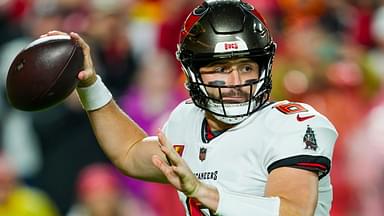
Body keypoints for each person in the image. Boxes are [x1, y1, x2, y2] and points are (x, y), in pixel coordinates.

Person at [43, 0, 338, 215]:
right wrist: (90, 84)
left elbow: (293, 211)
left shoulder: (294, 125)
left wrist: (201, 192)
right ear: (193, 72)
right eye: (220, 69)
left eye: (247, 66)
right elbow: (130, 153)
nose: (235, 81)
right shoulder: (187, 119)